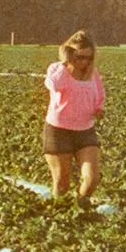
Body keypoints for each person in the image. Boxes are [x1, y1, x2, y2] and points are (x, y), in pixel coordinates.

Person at [42, 30, 105, 203]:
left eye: (88, 57)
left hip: (85, 130)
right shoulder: (57, 69)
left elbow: (100, 94)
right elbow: (53, 85)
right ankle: (60, 215)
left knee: (92, 179)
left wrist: (99, 108)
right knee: (62, 184)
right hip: (58, 131)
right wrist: (65, 64)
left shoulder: (93, 73)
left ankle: (80, 208)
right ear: (70, 54)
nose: (83, 62)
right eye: (79, 56)